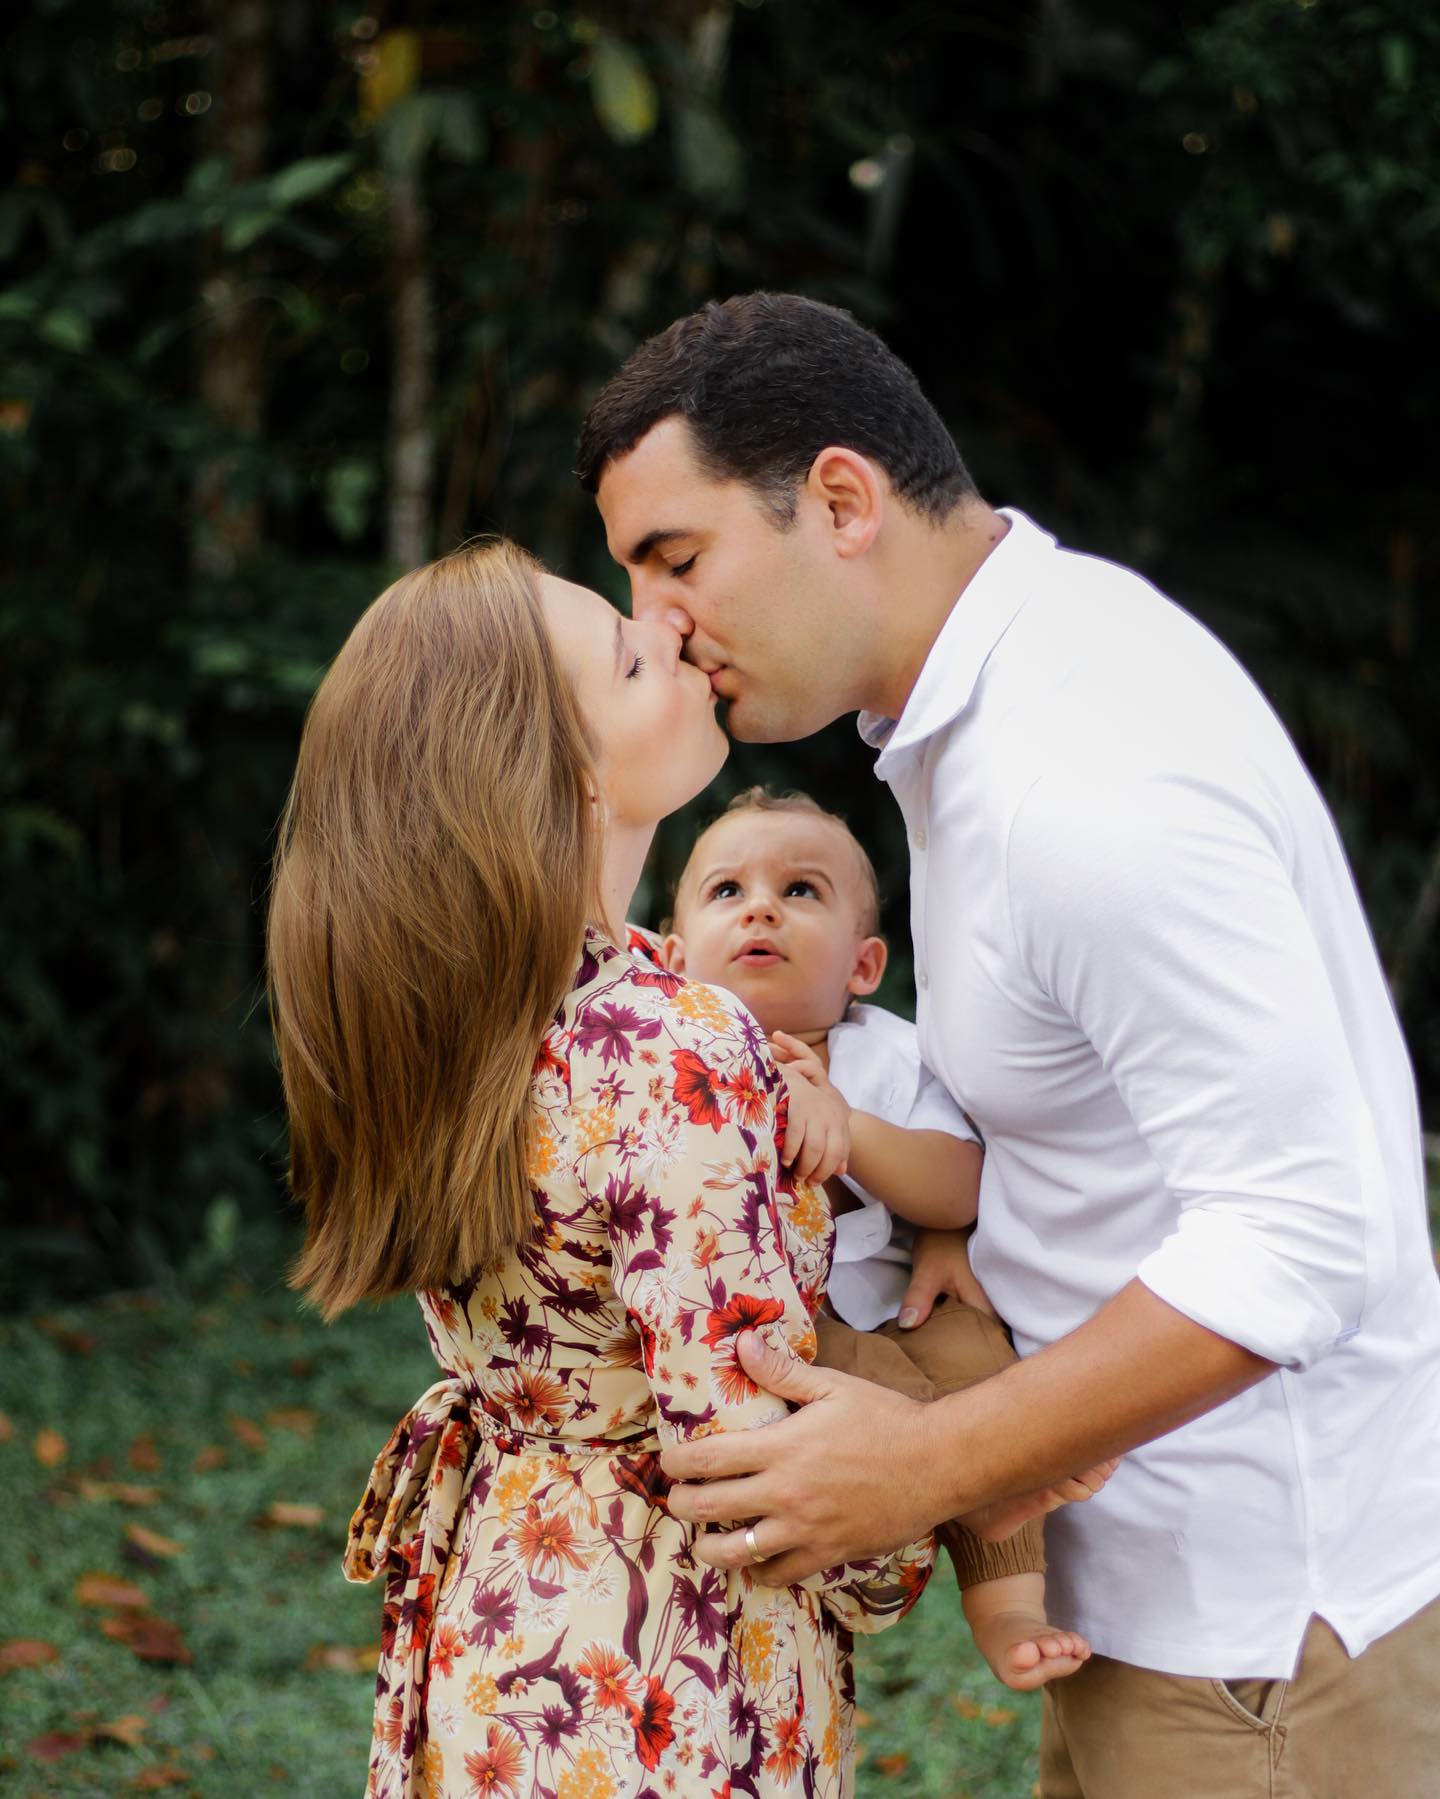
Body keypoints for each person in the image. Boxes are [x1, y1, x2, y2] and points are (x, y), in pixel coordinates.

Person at [575, 292, 1440, 1796]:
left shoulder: (1083, 764)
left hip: (1267, 1655)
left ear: (841, 499)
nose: (658, 623)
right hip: (1169, 1627)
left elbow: (1312, 1229)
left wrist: (928, 1462)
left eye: (678, 558)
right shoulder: (986, 702)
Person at [265, 541, 934, 1799]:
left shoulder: (478, 1007)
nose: (669, 634)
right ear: (567, 778)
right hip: (665, 1671)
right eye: (633, 660)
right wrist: (918, 1513)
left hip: (502, 1626)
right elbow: (743, 1447)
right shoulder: (673, 1040)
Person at [661, 782, 1108, 1692]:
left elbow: (963, 1183)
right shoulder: (674, 1057)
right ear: (672, 963)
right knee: (872, 1400)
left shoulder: (886, 1053)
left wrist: (851, 1126)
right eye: (726, 890)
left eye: (800, 891)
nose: (760, 907)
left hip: (903, 1307)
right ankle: (964, 1483)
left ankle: (1007, 1603)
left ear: (863, 966)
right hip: (786, 1342)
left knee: (986, 1360)